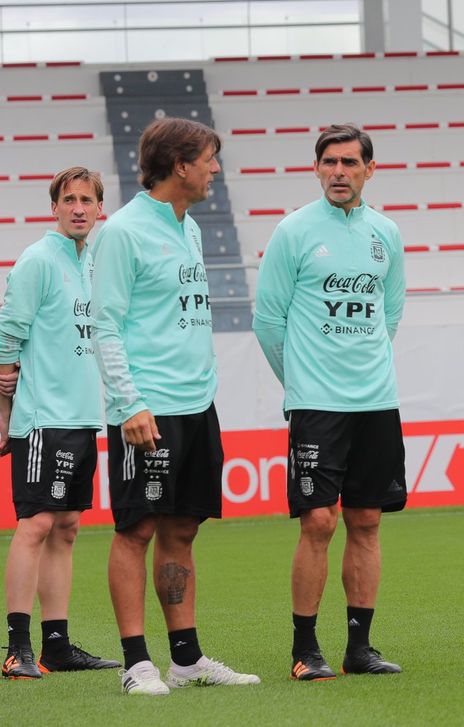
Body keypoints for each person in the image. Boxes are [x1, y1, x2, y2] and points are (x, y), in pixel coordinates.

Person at [92, 117, 259, 694]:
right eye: (209, 158)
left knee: (182, 529)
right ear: (180, 165)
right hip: (147, 409)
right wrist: (129, 404)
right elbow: (105, 326)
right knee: (136, 529)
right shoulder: (123, 231)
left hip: (195, 404)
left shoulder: (189, 228)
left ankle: (186, 660)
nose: (216, 169)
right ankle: (136, 663)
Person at [253, 124, 407, 680]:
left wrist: (364, 367)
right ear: (316, 169)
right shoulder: (293, 231)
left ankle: (359, 649)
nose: (339, 172)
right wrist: (300, 382)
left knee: (366, 520)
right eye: (329, 162)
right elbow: (267, 320)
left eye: (349, 162)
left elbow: (390, 313)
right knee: (318, 521)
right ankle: (305, 649)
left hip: (376, 402)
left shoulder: (386, 233)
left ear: (369, 169)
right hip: (317, 403)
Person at [1, 168, 120, 679]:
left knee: (67, 528)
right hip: (42, 418)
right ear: (54, 208)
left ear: (99, 209)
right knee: (36, 525)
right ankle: (17, 648)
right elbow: (7, 331)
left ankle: (56, 645)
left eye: (86, 200)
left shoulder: (96, 262)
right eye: (68, 199)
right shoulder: (37, 259)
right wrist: (4, 401)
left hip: (83, 416)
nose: (77, 208)